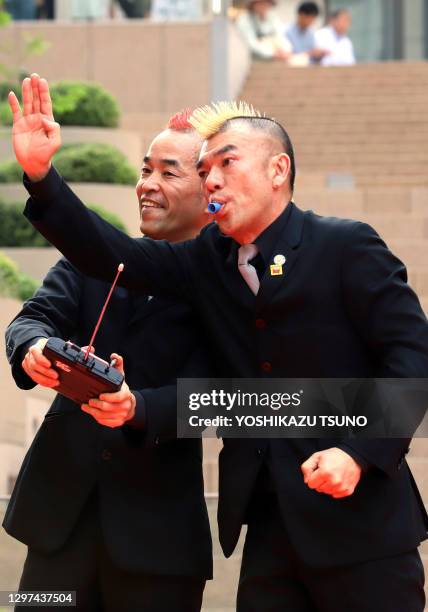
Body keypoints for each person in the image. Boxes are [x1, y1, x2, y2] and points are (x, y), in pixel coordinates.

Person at [9, 79, 428, 611]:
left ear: (278, 170)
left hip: (365, 528)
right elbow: (114, 254)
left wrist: (359, 452)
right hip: (267, 529)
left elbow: (413, 357)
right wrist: (42, 177)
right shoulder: (207, 261)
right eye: (205, 170)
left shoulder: (347, 245)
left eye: (226, 164)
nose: (213, 180)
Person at [4, 104, 213, 611]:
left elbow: (210, 396)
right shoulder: (94, 258)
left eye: (169, 171)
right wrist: (33, 349)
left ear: (212, 190)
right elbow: (31, 319)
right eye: (145, 169)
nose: (147, 183)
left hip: (157, 541)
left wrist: (136, 405)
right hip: (58, 523)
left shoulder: (223, 285)